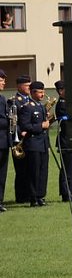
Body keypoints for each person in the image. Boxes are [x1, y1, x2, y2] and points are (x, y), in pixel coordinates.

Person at [18, 81, 51, 206]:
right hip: (33, 143)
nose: (42, 94)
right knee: (34, 171)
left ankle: (40, 195)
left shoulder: (41, 107)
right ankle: (33, 197)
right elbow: (25, 125)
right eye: (40, 92)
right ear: (32, 92)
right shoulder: (27, 107)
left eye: (43, 92)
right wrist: (40, 126)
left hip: (42, 143)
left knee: (43, 171)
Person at [53, 80, 72, 202]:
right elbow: (68, 120)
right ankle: (65, 193)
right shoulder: (61, 104)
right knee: (67, 169)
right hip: (66, 141)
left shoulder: (69, 103)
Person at [12, 75, 32, 203]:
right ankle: (20, 196)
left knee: (30, 168)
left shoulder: (30, 99)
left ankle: (29, 194)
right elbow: (13, 120)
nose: (29, 88)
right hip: (19, 140)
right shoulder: (14, 101)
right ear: (19, 86)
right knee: (21, 170)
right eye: (27, 85)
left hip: (30, 139)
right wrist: (20, 132)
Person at [0, 69, 9, 212]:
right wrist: (10, 121)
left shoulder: (2, 98)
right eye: (1, 80)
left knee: (2, 173)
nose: (3, 82)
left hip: (3, 141)